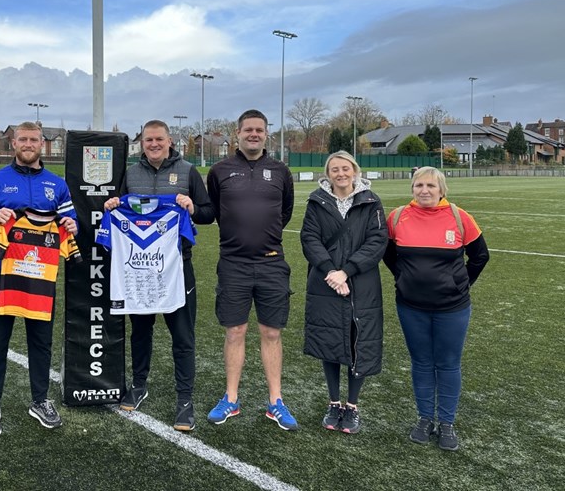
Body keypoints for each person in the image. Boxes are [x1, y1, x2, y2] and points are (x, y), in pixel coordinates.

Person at [0, 121, 78, 435]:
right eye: (22, 139)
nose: (28, 144)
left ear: (41, 144)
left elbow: (72, 225)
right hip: (2, 275)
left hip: (41, 277)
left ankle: (40, 400)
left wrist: (71, 226)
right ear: (13, 143)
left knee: (41, 343)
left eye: (33, 139)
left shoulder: (57, 185)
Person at [103, 120, 214, 431]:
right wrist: (112, 204)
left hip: (177, 268)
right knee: (140, 331)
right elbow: (117, 207)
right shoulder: (130, 173)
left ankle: (185, 399)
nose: (153, 144)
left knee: (182, 335)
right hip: (139, 269)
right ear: (142, 143)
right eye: (148, 140)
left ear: (169, 141)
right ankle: (139, 385)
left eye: (159, 139)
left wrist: (192, 207)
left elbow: (208, 213)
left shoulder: (189, 171)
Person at [384, 166, 489, 451]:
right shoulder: (397, 217)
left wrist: (461, 284)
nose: (424, 191)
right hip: (411, 307)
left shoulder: (459, 216)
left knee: (448, 363)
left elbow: (481, 256)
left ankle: (446, 423)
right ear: (412, 189)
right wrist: (403, 278)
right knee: (421, 362)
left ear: (442, 189)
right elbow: (387, 253)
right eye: (419, 185)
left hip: (452, 308)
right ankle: (424, 419)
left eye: (430, 186)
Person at [205, 109, 298, 430]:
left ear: (266, 134)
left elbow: (284, 212)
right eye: (248, 130)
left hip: (272, 263)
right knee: (235, 331)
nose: (254, 134)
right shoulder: (219, 170)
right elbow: (216, 210)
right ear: (238, 133)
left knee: (271, 332)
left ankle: (276, 402)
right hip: (233, 263)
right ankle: (231, 398)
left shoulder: (281, 171)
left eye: (259, 130)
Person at [300, 151, 387, 434]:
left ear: (354, 171)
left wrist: (346, 271)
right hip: (325, 282)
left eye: (345, 168)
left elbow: (377, 241)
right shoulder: (316, 201)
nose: (340, 173)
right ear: (328, 173)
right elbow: (309, 238)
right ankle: (334, 402)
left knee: (357, 340)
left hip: (360, 283)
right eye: (335, 169)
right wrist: (330, 271)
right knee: (330, 339)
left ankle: (352, 406)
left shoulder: (371, 202)